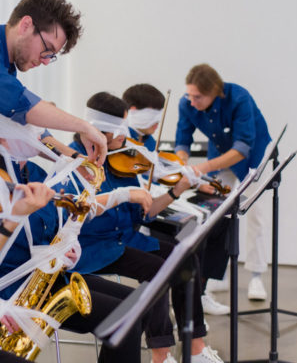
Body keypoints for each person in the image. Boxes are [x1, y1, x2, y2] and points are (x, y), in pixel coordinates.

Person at [0, 112, 159, 363]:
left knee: (136, 307)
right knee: (124, 320)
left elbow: (58, 222)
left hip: (39, 279)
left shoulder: (32, 170)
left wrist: (69, 246)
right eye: (33, 129)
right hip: (2, 292)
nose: (43, 137)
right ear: (3, 134)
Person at [69, 92, 223, 363]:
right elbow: (81, 214)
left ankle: (195, 347)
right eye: (119, 130)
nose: (124, 137)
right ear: (99, 130)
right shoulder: (74, 163)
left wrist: (175, 191)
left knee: (186, 259)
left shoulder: (121, 159)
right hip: (93, 248)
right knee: (160, 271)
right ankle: (160, 355)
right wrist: (125, 194)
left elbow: (146, 212)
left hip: (122, 240)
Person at [0, 0, 107, 166]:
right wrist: (83, 126)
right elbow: (21, 104)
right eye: (48, 49)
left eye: (51, 56)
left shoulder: (6, 66)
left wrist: (74, 159)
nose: (46, 61)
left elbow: (29, 130)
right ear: (25, 25)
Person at [122, 84, 230, 315]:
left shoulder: (147, 140)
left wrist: (199, 182)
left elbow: (162, 171)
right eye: (152, 116)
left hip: (158, 199)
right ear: (132, 111)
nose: (157, 123)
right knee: (190, 232)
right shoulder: (120, 139)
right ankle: (185, 301)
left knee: (220, 221)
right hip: (138, 212)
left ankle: (199, 292)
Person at [174, 63, 272, 300]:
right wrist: (181, 165)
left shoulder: (239, 98)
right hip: (219, 157)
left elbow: (241, 148)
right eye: (189, 94)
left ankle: (256, 277)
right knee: (216, 216)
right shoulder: (187, 103)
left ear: (215, 92)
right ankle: (219, 274)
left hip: (252, 157)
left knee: (255, 214)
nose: (192, 101)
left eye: (197, 97)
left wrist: (201, 168)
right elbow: (182, 141)